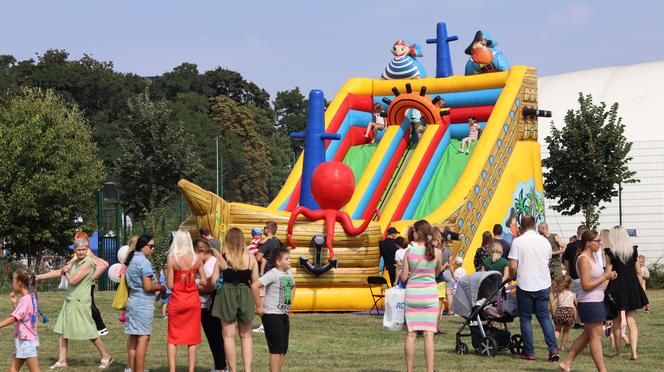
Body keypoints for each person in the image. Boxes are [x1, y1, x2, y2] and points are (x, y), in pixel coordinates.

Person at [36, 238, 112, 369]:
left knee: (89, 331)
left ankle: (105, 356)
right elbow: (58, 272)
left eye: (84, 249)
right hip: (70, 300)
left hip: (80, 302)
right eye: (79, 250)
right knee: (62, 330)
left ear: (87, 249)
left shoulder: (88, 263)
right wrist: (37, 277)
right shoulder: (75, 261)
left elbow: (73, 281)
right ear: (75, 250)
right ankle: (62, 360)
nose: (81, 252)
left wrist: (66, 271)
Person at [558, 230, 617, 372]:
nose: (600, 243)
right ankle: (603, 370)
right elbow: (586, 285)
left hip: (597, 300)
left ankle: (566, 362)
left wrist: (608, 274)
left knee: (587, 335)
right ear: (589, 243)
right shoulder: (583, 259)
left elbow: (599, 278)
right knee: (595, 337)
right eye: (598, 241)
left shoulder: (595, 255)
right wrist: (605, 277)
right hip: (590, 302)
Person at [508, 215, 559, 362]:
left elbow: (512, 266)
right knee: (544, 318)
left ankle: (529, 352)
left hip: (525, 284)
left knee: (525, 319)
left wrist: (512, 275)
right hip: (543, 283)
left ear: (522, 227)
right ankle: (553, 350)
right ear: (535, 226)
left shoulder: (518, 242)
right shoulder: (544, 241)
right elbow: (548, 260)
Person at [211, 227, 259, 372]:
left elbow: (214, 281)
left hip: (226, 295)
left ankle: (232, 370)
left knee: (228, 337)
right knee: (246, 336)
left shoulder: (222, 258)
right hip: (245, 294)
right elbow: (255, 281)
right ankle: (248, 370)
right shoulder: (251, 258)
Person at [400, 220, 443, 372]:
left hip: (412, 295)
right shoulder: (437, 252)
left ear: (419, 232)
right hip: (430, 296)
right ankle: (430, 370)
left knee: (411, 334)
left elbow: (404, 278)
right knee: (428, 335)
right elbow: (437, 273)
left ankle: (409, 370)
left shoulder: (409, 252)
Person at [605, 226, 649, 360]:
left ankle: (618, 353)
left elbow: (608, 273)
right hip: (632, 287)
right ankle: (634, 353)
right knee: (631, 320)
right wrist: (640, 287)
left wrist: (602, 290)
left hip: (616, 287)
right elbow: (638, 272)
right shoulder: (633, 250)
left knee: (616, 321)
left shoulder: (610, 251)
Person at [166, 229, 208, 372]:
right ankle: (191, 370)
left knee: (173, 338)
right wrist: (193, 282)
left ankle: (172, 370)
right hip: (192, 301)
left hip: (177, 300)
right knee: (192, 338)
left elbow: (170, 285)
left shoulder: (172, 259)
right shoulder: (197, 258)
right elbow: (203, 280)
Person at [252, 247, 296, 372]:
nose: (290, 260)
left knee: (283, 349)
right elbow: (255, 286)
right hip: (271, 315)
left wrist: (290, 302)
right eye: (287, 259)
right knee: (276, 350)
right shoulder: (273, 273)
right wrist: (259, 306)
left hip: (283, 315)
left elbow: (293, 287)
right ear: (278, 262)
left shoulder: (288, 273)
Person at [124, 235, 163, 372]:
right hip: (143, 303)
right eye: (151, 246)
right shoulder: (144, 262)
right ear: (143, 246)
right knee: (143, 338)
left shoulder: (132, 259)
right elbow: (148, 287)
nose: (153, 249)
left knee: (134, 338)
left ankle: (132, 368)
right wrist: (161, 287)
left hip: (133, 300)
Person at [194, 238, 227, 372]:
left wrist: (192, 285)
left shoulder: (213, 263)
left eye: (195, 253)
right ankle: (220, 365)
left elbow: (210, 286)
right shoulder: (208, 261)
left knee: (215, 336)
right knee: (213, 336)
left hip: (211, 303)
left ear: (202, 251)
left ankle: (221, 367)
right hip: (205, 303)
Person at [0, 269, 40, 371]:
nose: (12, 283)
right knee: (12, 370)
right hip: (25, 341)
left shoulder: (25, 300)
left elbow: (14, 318)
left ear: (20, 283)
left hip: (26, 342)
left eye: (13, 281)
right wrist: (15, 303)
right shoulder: (30, 297)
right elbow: (23, 316)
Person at [549, 275, 576, 351]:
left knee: (557, 330)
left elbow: (552, 304)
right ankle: (562, 347)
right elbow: (576, 306)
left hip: (560, 312)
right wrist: (576, 317)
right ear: (569, 284)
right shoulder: (573, 295)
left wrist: (553, 313)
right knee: (566, 331)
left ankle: (553, 345)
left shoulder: (559, 294)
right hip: (568, 313)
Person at [562, 225, 588, 295]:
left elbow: (566, 261)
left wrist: (569, 273)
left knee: (574, 301)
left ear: (577, 232)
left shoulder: (570, 246)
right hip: (587, 278)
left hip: (574, 277)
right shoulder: (589, 245)